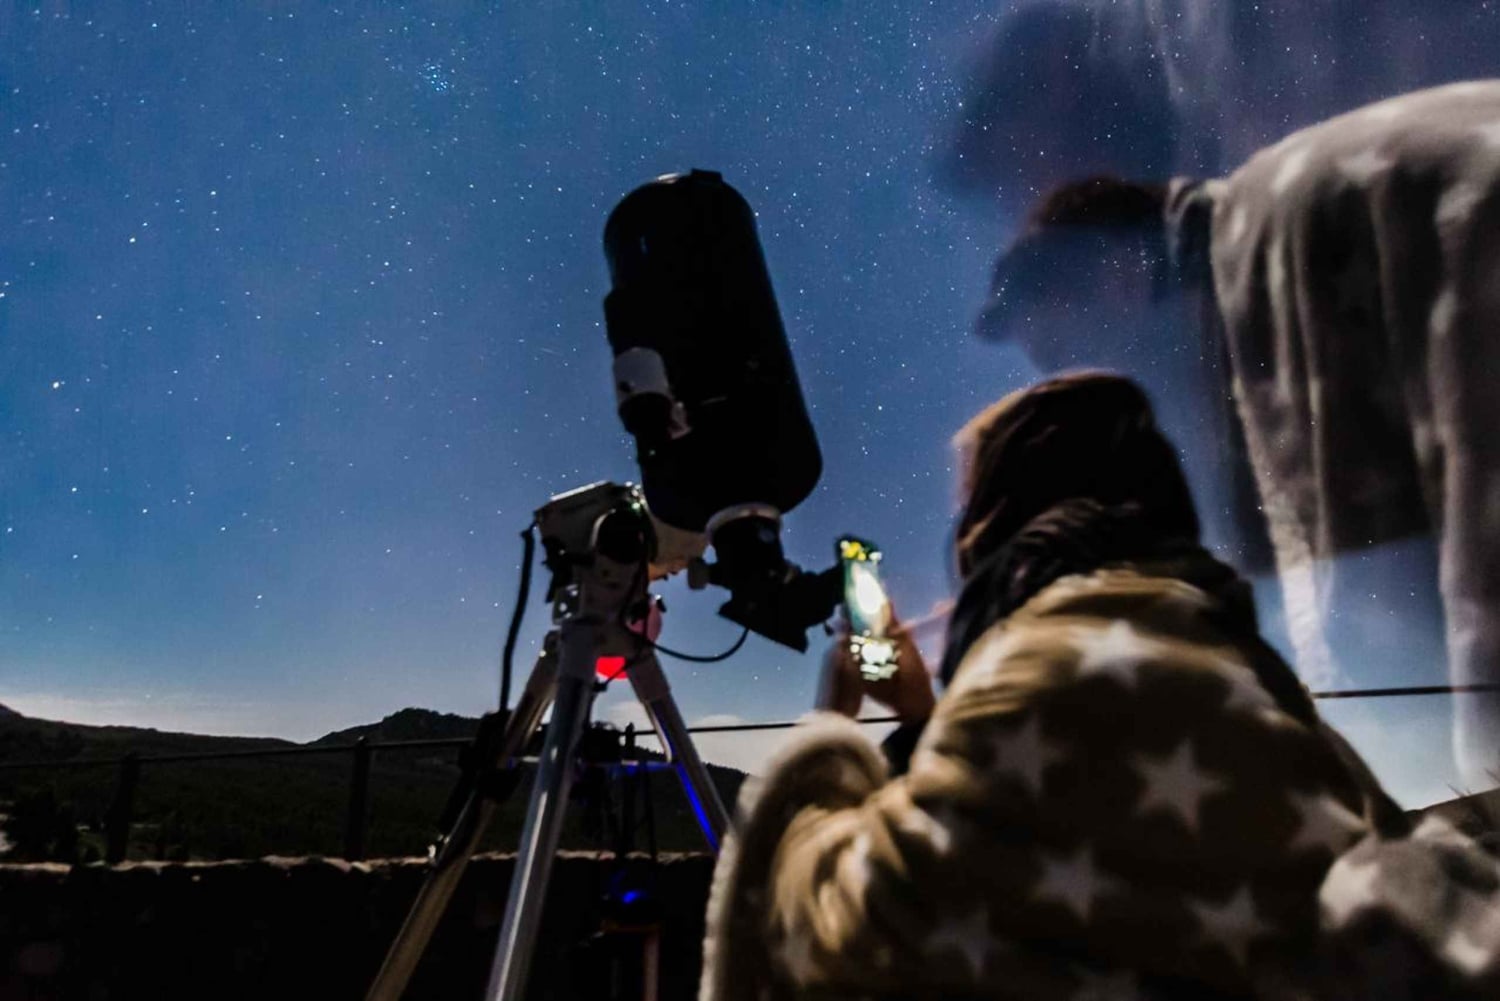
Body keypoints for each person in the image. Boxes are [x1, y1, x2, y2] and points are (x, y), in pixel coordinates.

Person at [700, 372, 1415, 1001]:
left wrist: (835, 719)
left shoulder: (1045, 659)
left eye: (970, 510)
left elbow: (826, 925)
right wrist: (927, 717)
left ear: (1000, 522)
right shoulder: (1267, 690)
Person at [977, 81, 1500, 789]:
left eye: (1076, 357)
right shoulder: (1288, 248)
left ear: (1123, 277)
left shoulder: (1288, 261)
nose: (1096, 408)